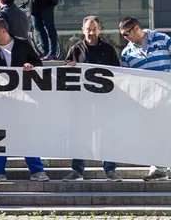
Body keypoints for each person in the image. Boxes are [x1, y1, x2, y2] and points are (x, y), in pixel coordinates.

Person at [0, 18, 49, 183]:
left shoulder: (23, 44)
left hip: (23, 100)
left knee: (26, 133)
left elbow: (38, 64)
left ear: (3, 31)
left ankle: (37, 170)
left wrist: (30, 67)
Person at [61, 16, 121, 182]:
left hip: (104, 101)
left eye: (94, 29)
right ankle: (77, 170)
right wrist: (68, 66)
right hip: (82, 102)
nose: (91, 32)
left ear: (99, 29)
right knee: (79, 135)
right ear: (83, 30)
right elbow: (65, 72)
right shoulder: (75, 49)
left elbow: (118, 73)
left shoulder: (108, 49)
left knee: (107, 135)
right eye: (88, 29)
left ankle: (110, 170)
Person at [119, 16, 171, 180]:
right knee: (154, 133)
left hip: (169, 94)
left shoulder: (163, 39)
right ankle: (159, 168)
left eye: (126, 33)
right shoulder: (127, 53)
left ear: (136, 28)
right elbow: (127, 79)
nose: (124, 38)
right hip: (148, 101)